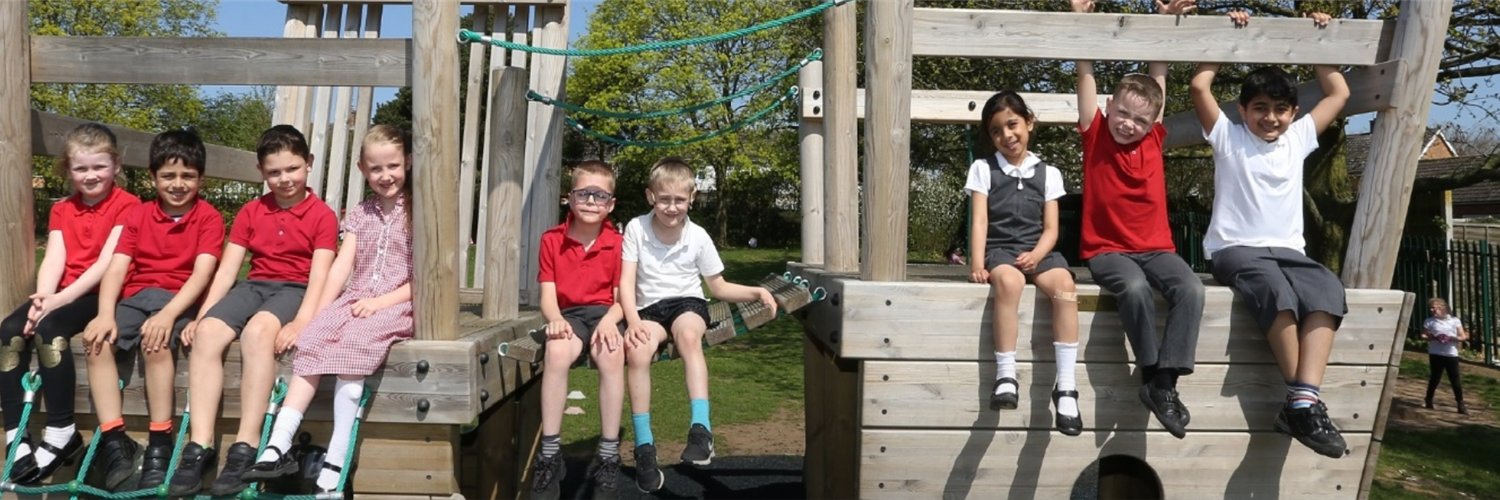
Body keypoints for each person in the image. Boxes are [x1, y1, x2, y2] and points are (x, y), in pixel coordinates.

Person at [1190, 10, 1351, 459]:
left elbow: (1338, 92)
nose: (1270, 117)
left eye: (1280, 109)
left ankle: (1301, 401)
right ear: (1242, 110)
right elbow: (1200, 86)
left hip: (1288, 250)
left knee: (1327, 289)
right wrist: (1227, 33)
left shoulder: (1298, 138)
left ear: (1294, 113)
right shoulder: (1228, 137)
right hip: (1235, 249)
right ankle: (1304, 404)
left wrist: (1317, 38)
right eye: (1259, 108)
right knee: (1276, 292)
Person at [240, 125, 415, 492]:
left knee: (356, 342)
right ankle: (277, 443)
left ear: (409, 162)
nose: (385, 176)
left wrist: (380, 302)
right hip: (357, 297)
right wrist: (316, 315)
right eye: (375, 168)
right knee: (314, 338)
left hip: (397, 302)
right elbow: (340, 268)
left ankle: (337, 454)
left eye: (393, 166)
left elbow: (424, 278)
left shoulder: (417, 212)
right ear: (362, 169)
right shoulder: (361, 213)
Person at [169, 125, 340, 496]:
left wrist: (302, 320)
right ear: (261, 171)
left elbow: (320, 277)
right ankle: (199, 444)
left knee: (258, 331)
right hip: (255, 285)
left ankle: (246, 444)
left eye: (293, 168)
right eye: (274, 172)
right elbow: (228, 270)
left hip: (295, 289)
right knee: (208, 333)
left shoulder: (322, 216)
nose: (284, 179)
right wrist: (203, 314)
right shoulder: (252, 211)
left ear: (309, 163)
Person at [1074, 0, 1204, 439]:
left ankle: (1164, 383)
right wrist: (1081, 23)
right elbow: (1085, 76)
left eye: (1140, 119)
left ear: (1153, 124)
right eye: (1123, 114)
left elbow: (1158, 77)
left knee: (1191, 288)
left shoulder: (1153, 140)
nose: (1129, 124)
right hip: (1107, 250)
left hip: (1156, 249)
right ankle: (1150, 371)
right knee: (1133, 288)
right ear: (1108, 107)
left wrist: (1163, 26)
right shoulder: (1096, 134)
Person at [621, 158, 776, 493]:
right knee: (637, 352)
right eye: (664, 199)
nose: (671, 207)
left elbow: (718, 287)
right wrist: (632, 320)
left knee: (689, 336)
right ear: (650, 196)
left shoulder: (698, 236)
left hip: (687, 303)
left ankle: (701, 430)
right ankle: (644, 446)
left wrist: (756, 291)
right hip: (648, 309)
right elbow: (626, 281)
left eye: (679, 200)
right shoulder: (636, 228)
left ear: (691, 198)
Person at [80, 130, 224, 490]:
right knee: (96, 342)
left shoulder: (208, 218)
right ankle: (114, 439)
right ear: (152, 177)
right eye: (168, 175)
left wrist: (169, 315)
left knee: (155, 343)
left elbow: (202, 274)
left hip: (179, 299)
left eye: (188, 176)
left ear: (201, 178)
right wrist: (105, 313)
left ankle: (161, 439)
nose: (178, 184)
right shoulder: (139, 215)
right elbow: (117, 268)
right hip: (137, 297)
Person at [0, 124, 141, 484]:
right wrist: (42, 299)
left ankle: (62, 429)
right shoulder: (63, 209)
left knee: (51, 331)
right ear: (68, 170)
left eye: (99, 167)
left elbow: (106, 264)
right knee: (10, 330)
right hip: (62, 293)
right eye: (81, 168)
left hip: (102, 293)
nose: (91, 175)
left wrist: (57, 303)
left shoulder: (129, 205)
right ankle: (16, 434)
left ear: (116, 165)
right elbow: (55, 257)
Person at [965, 90, 1083, 436]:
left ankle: (1066, 386)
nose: (1007, 135)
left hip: (1039, 252)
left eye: (1012, 124)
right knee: (1010, 282)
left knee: (1065, 287)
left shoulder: (1049, 173)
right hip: (1001, 251)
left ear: (1029, 123)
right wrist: (977, 264)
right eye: (996, 131)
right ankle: (1006, 375)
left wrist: (1037, 255)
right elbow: (980, 222)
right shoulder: (983, 169)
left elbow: (1052, 229)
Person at [528, 160, 628, 500]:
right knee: (557, 351)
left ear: (611, 204)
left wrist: (610, 321)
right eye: (583, 193)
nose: (590, 201)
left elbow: (622, 299)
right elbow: (548, 295)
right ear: (569, 198)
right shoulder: (552, 239)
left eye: (600, 195)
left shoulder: (618, 243)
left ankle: (609, 457)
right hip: (568, 314)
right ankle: (550, 455)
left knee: (611, 353)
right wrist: (554, 318)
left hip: (606, 314)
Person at [1422, 297, 1469, 415]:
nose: (1432, 310)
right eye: (1431, 308)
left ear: (1443, 308)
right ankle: (1429, 399)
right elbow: (1424, 335)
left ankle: (1460, 404)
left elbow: (1463, 336)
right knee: (1435, 378)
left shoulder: (1454, 321)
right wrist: (1433, 338)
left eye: (1434, 308)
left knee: (1455, 379)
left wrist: (1452, 338)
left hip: (1450, 353)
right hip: (1435, 353)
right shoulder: (1429, 321)